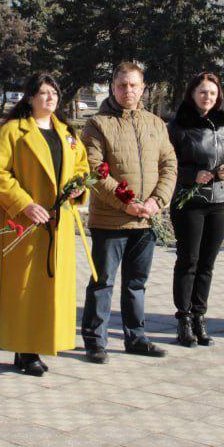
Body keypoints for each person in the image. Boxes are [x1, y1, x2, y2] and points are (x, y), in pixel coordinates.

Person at [0, 74, 91, 375]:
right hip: (26, 223)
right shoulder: (13, 131)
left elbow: (82, 166)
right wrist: (24, 204)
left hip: (58, 224)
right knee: (24, 288)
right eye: (43, 93)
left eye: (54, 93)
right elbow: (0, 174)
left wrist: (78, 187)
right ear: (30, 98)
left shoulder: (67, 133)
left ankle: (41, 342)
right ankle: (24, 348)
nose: (50, 98)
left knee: (50, 287)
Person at [81, 61, 178, 361]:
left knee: (136, 284)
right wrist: (127, 203)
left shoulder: (155, 124)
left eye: (134, 85)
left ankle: (136, 337)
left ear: (143, 88)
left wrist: (156, 201)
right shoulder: (97, 124)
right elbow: (95, 171)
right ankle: (95, 341)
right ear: (112, 87)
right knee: (103, 282)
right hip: (110, 220)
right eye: (122, 85)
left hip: (146, 220)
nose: (128, 91)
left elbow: (169, 165)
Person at [167, 72, 224, 346]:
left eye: (212, 93)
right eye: (202, 92)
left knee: (207, 263)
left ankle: (200, 315)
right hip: (190, 201)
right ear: (192, 93)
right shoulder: (178, 124)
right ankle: (184, 318)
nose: (207, 97)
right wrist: (192, 175)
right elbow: (167, 163)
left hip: (220, 201)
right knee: (189, 261)